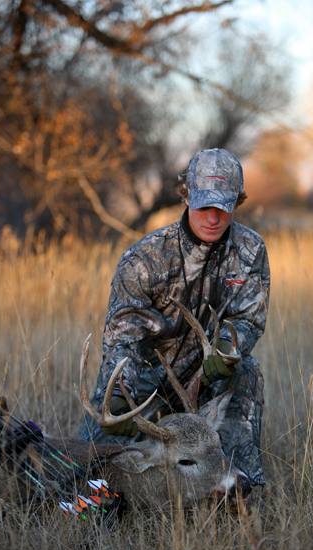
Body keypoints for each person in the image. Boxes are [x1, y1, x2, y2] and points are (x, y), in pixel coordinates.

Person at [80, 148, 270, 486]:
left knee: (247, 370)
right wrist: (121, 394)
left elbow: (248, 317)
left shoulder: (250, 249)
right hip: (143, 385)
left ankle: (240, 485)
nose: (212, 218)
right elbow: (124, 337)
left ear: (237, 203)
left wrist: (226, 350)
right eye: (203, 206)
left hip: (205, 380)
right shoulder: (144, 258)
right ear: (186, 197)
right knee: (91, 476)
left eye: (222, 207)